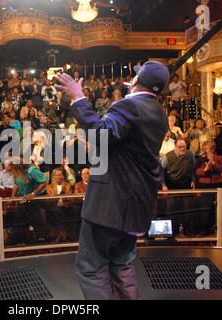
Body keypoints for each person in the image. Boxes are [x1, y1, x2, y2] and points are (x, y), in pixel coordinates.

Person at [55, 61, 169, 300]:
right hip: (136, 208)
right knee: (122, 264)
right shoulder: (160, 114)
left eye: (135, 77)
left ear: (137, 82)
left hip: (109, 206)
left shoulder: (129, 105)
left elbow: (101, 135)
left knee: (92, 268)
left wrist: (78, 98)